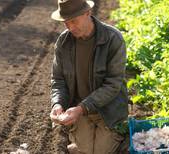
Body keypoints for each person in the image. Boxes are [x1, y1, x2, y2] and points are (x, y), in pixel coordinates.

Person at [49, 0, 128, 153]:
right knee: (85, 151)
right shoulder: (63, 42)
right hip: (80, 110)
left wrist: (82, 108)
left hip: (108, 110)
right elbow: (58, 80)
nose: (70, 27)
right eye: (66, 23)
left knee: (100, 151)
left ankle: (121, 136)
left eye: (74, 21)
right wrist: (57, 104)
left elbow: (113, 85)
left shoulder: (113, 39)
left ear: (88, 13)